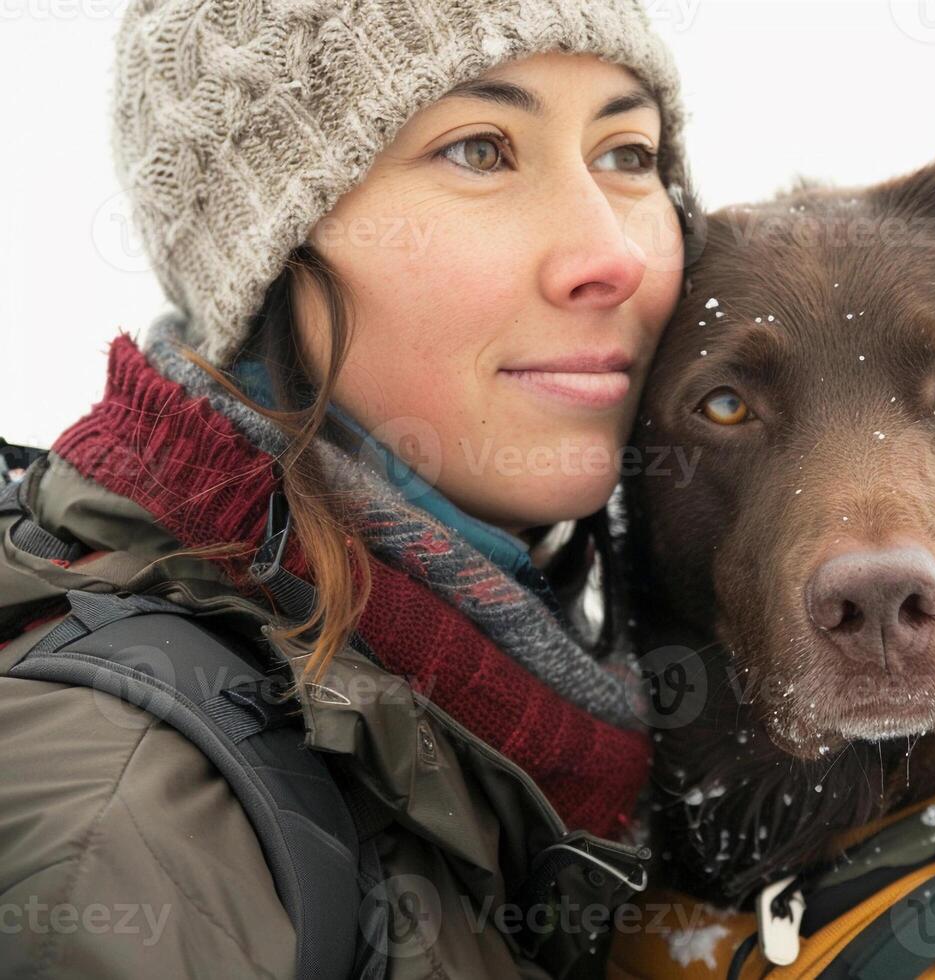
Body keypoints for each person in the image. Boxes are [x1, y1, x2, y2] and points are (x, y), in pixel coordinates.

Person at [0, 1, 695, 976]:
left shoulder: (574, 714)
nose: (612, 258)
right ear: (270, 243)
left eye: (627, 153)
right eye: (481, 150)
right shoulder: (127, 823)